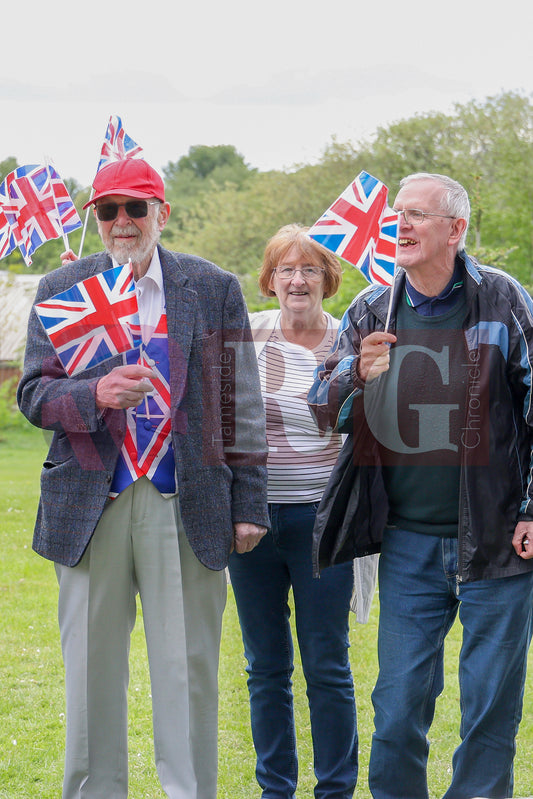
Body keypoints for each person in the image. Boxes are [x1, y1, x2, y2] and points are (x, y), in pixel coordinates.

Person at [17, 157, 269, 799]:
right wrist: (95, 391)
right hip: (89, 502)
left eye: (136, 207)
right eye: (109, 209)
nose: (122, 221)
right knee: (91, 673)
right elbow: (34, 396)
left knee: (187, 671)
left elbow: (241, 403)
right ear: (95, 217)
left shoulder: (212, 287)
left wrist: (251, 505)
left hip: (185, 502)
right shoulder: (63, 285)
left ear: (163, 212)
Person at [308, 173, 533, 799]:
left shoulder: (503, 301)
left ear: (455, 230)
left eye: (416, 215)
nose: (399, 225)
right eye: (396, 215)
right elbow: (321, 410)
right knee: (399, 706)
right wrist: (355, 371)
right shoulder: (371, 309)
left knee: (490, 711)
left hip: (497, 545)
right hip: (407, 545)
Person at [229, 224, 368, 799]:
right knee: (265, 669)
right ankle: (275, 789)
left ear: (327, 279)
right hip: (251, 522)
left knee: (327, 667)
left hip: (323, 521)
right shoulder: (247, 335)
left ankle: (334, 789)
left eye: (309, 269)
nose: (297, 279)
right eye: (285, 269)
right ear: (269, 279)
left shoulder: (352, 341)